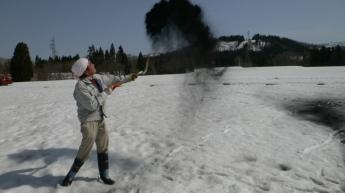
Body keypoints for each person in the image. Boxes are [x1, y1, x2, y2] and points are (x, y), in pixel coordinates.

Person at [61, 58, 138, 186]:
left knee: (103, 146)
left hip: (100, 118)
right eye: (91, 63)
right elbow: (92, 105)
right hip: (89, 121)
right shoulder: (80, 87)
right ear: (85, 71)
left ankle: (104, 175)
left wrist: (130, 77)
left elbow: (115, 79)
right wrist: (109, 90)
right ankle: (70, 176)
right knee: (85, 149)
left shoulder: (98, 78)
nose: (93, 64)